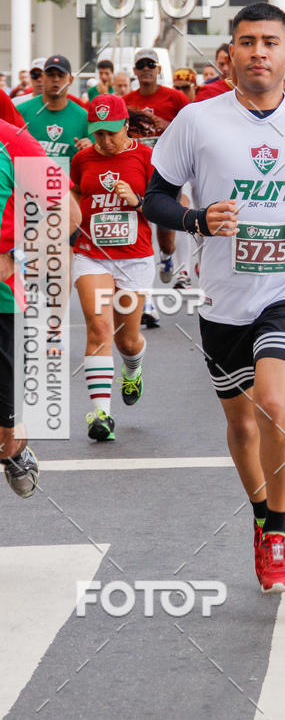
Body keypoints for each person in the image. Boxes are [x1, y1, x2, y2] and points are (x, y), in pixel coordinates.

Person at [143, 1, 285, 593]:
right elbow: (154, 199)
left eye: (270, 42)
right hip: (223, 296)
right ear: (230, 55)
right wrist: (197, 219)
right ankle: (262, 515)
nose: (258, 51)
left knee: (273, 402)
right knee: (242, 425)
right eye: (247, 42)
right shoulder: (196, 121)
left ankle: (280, 532)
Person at [0, 118, 80, 496]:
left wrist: (15, 254)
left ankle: (14, 448)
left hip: (2, 301)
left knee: (4, 432)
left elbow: (68, 215)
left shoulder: (12, 141)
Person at [71, 95, 154, 441]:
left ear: (126, 125)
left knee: (128, 340)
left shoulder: (146, 157)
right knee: (99, 327)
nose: (105, 141)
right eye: (98, 133)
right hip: (91, 254)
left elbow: (168, 208)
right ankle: (101, 413)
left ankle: (132, 368)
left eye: (111, 133)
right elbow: (75, 195)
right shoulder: (82, 158)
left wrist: (137, 201)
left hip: (135, 258)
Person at [123, 47, 189, 304]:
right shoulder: (127, 100)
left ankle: (168, 257)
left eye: (151, 65)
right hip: (136, 170)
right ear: (135, 71)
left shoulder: (174, 98)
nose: (147, 69)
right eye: (142, 65)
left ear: (159, 69)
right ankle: (146, 298)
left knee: (167, 231)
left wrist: (167, 125)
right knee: (141, 228)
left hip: (167, 171)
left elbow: (192, 130)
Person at [18, 55, 91, 173]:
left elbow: (98, 154)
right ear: (43, 77)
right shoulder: (22, 111)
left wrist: (90, 148)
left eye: (61, 75)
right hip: (28, 187)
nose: (56, 79)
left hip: (68, 188)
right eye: (51, 75)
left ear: (70, 80)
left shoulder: (83, 117)